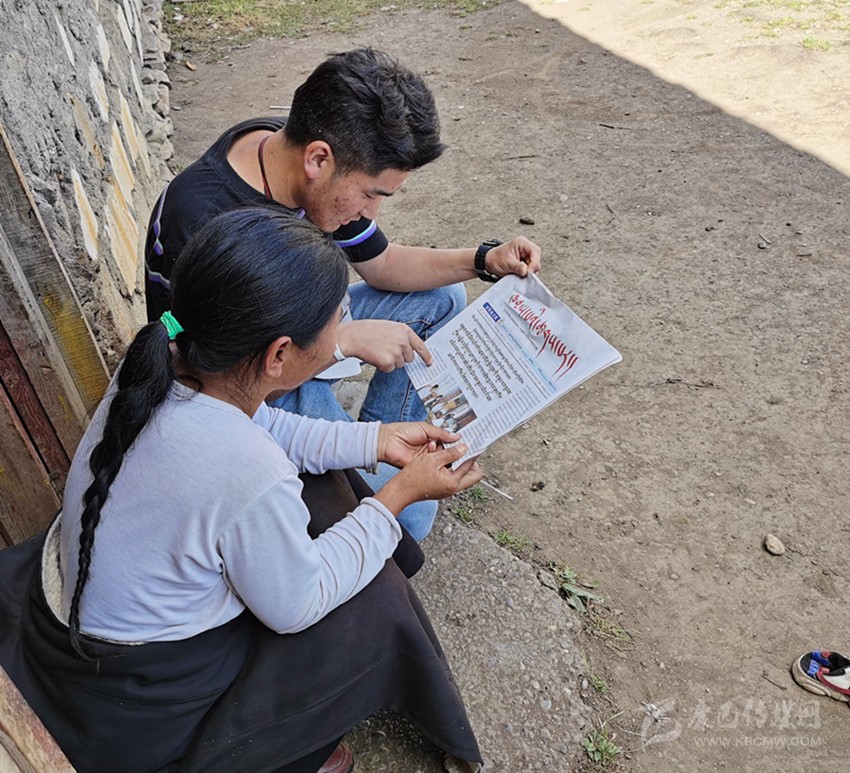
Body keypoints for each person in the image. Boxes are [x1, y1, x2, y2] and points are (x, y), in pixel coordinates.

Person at [0, 208, 484, 773]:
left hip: (72, 626)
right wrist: (396, 498)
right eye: (337, 324)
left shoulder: (161, 361)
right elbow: (297, 605)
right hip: (134, 698)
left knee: (333, 502)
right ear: (279, 355)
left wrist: (374, 440)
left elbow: (264, 425)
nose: (341, 337)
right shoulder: (246, 467)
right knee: (373, 608)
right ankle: (289, 748)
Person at [144, 47, 541, 541]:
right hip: (249, 377)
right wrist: (341, 342)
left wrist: (482, 260)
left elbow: (382, 263)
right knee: (409, 518)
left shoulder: (298, 157)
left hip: (302, 329)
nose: (371, 212)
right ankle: (378, 478)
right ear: (317, 159)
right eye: (371, 193)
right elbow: (212, 376)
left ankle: (386, 446)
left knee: (442, 297)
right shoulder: (204, 219)